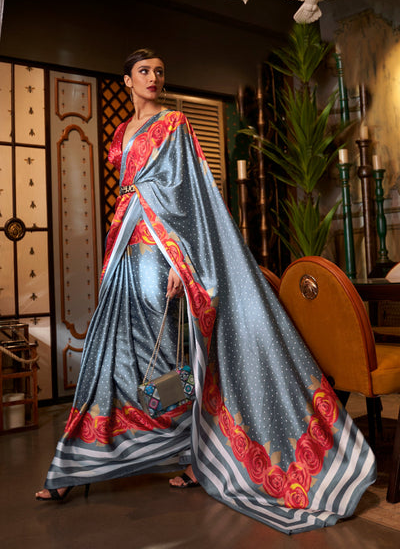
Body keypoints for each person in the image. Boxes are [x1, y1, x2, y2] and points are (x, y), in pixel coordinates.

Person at [35, 48, 376, 534]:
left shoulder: (173, 123)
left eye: (159, 71)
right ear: (127, 80)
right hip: (125, 249)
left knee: (167, 358)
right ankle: (79, 462)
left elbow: (188, 195)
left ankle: (194, 452)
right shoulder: (121, 131)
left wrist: (184, 260)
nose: (154, 77)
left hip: (162, 252)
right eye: (144, 71)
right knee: (109, 352)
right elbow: (135, 191)